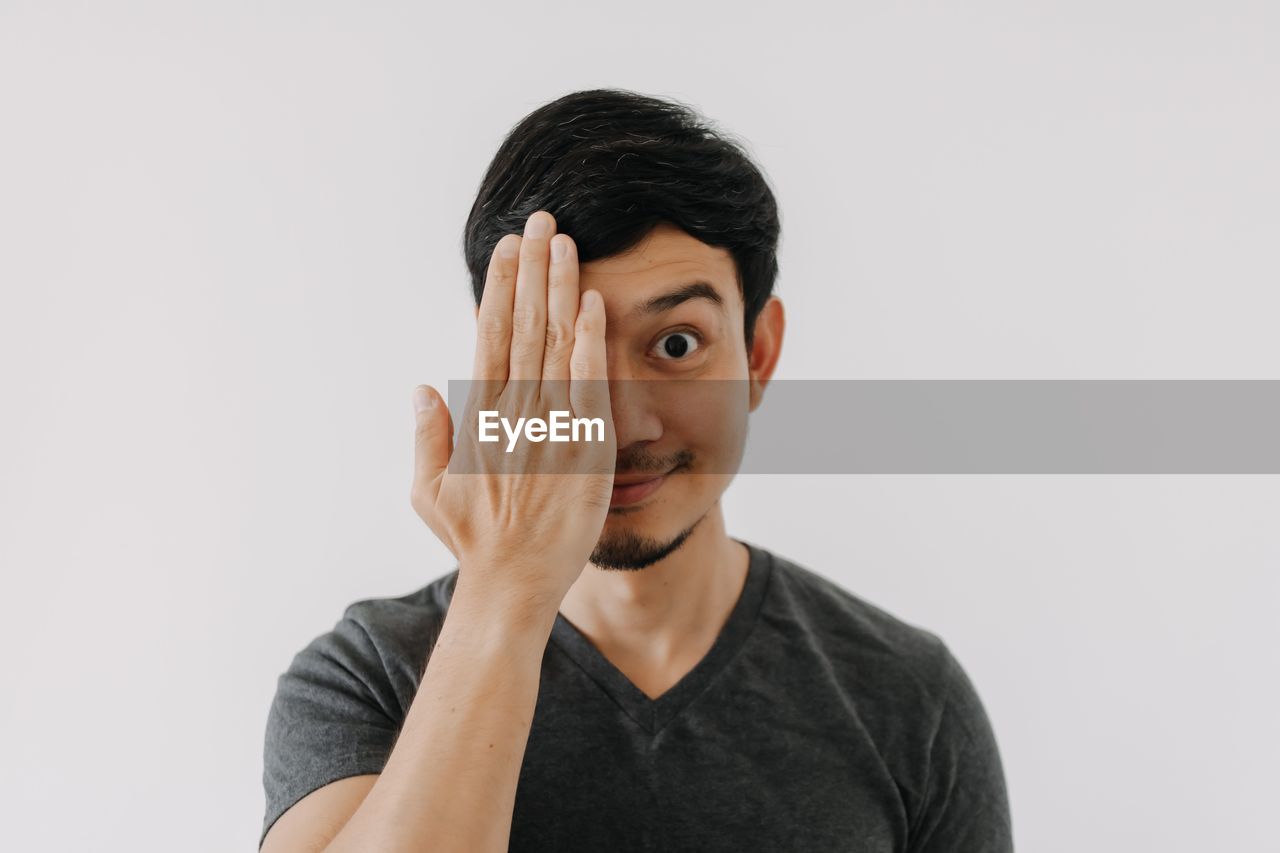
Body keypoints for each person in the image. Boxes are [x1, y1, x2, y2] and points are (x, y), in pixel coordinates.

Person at [259, 88, 1013, 853]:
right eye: (562, 354)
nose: (620, 427)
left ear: (757, 356)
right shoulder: (366, 677)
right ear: (502, 369)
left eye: (677, 343)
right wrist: (505, 586)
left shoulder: (910, 697)